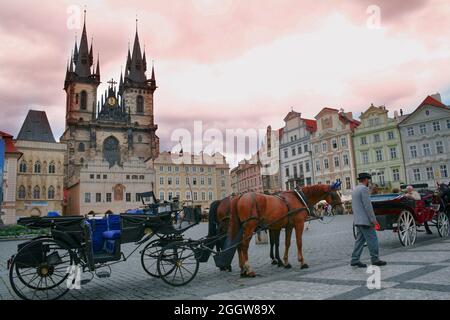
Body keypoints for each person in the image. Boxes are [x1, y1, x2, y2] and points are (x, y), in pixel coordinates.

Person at [351, 173, 387, 268]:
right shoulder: (363, 189)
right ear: (366, 180)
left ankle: (355, 259)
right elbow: (368, 206)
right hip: (365, 220)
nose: (369, 182)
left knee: (360, 240)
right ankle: (375, 259)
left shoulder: (355, 189)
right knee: (373, 239)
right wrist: (373, 219)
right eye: (368, 180)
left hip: (358, 220)